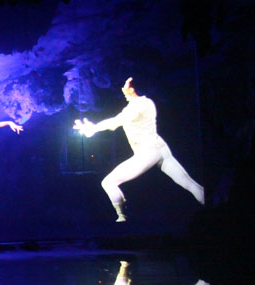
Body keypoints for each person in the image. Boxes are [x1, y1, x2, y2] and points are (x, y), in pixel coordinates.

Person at [73, 77, 204, 222]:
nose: (123, 89)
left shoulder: (135, 107)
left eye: (126, 86)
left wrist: (94, 128)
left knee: (108, 182)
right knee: (188, 183)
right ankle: (211, 204)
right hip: (161, 148)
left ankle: (122, 218)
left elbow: (116, 121)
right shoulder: (148, 102)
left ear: (132, 89)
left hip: (148, 152)